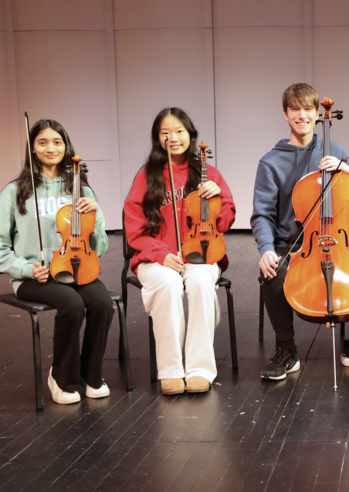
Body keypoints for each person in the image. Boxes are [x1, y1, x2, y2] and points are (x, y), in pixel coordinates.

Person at [253, 83, 349, 380]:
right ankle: (286, 350)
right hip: (292, 244)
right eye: (295, 110)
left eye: (308, 109)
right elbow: (262, 214)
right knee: (273, 272)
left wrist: (348, 173)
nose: (302, 116)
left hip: (337, 240)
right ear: (285, 114)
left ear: (319, 114)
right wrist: (266, 249)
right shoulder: (270, 162)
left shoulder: (336, 150)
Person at [0, 119, 111, 404]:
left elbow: (100, 246)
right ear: (33, 149)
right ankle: (61, 377)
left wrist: (96, 216)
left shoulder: (80, 189)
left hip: (74, 267)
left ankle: (90, 374)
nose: (51, 148)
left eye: (57, 142)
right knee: (71, 304)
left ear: (66, 147)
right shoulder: (14, 192)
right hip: (34, 276)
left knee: (103, 303)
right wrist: (25, 269)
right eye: (43, 142)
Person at [124, 107, 236, 395]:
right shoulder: (147, 177)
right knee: (168, 283)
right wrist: (161, 253)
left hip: (201, 253)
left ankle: (200, 369)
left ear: (189, 134)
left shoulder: (208, 173)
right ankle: (171, 369)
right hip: (157, 258)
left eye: (179, 131)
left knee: (199, 281)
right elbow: (134, 228)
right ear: (157, 139)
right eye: (165, 133)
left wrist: (219, 196)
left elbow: (224, 221)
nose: (173, 137)